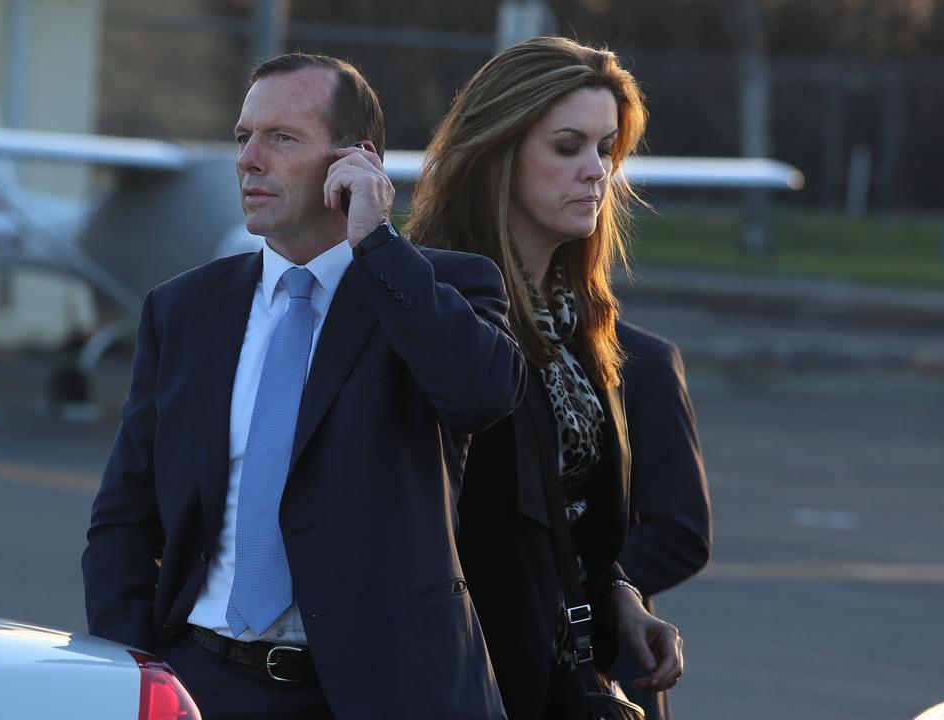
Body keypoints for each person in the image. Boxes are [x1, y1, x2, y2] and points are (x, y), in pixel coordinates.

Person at [82, 53, 525, 719]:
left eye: (282, 138)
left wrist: (378, 242)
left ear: (356, 161)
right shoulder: (183, 310)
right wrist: (138, 667)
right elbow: (123, 517)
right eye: (243, 137)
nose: (249, 160)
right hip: (208, 682)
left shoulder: (438, 286)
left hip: (389, 691)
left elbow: (483, 393)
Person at [406, 37, 684, 718]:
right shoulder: (431, 306)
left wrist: (616, 596)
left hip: (573, 681)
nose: (596, 172)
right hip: (471, 684)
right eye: (568, 147)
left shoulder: (581, 321)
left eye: (606, 150)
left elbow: (565, 514)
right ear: (497, 153)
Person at [609, 320, 712, 720]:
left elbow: (681, 533)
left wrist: (594, 581)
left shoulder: (642, 361)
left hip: (608, 673)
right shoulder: (472, 346)